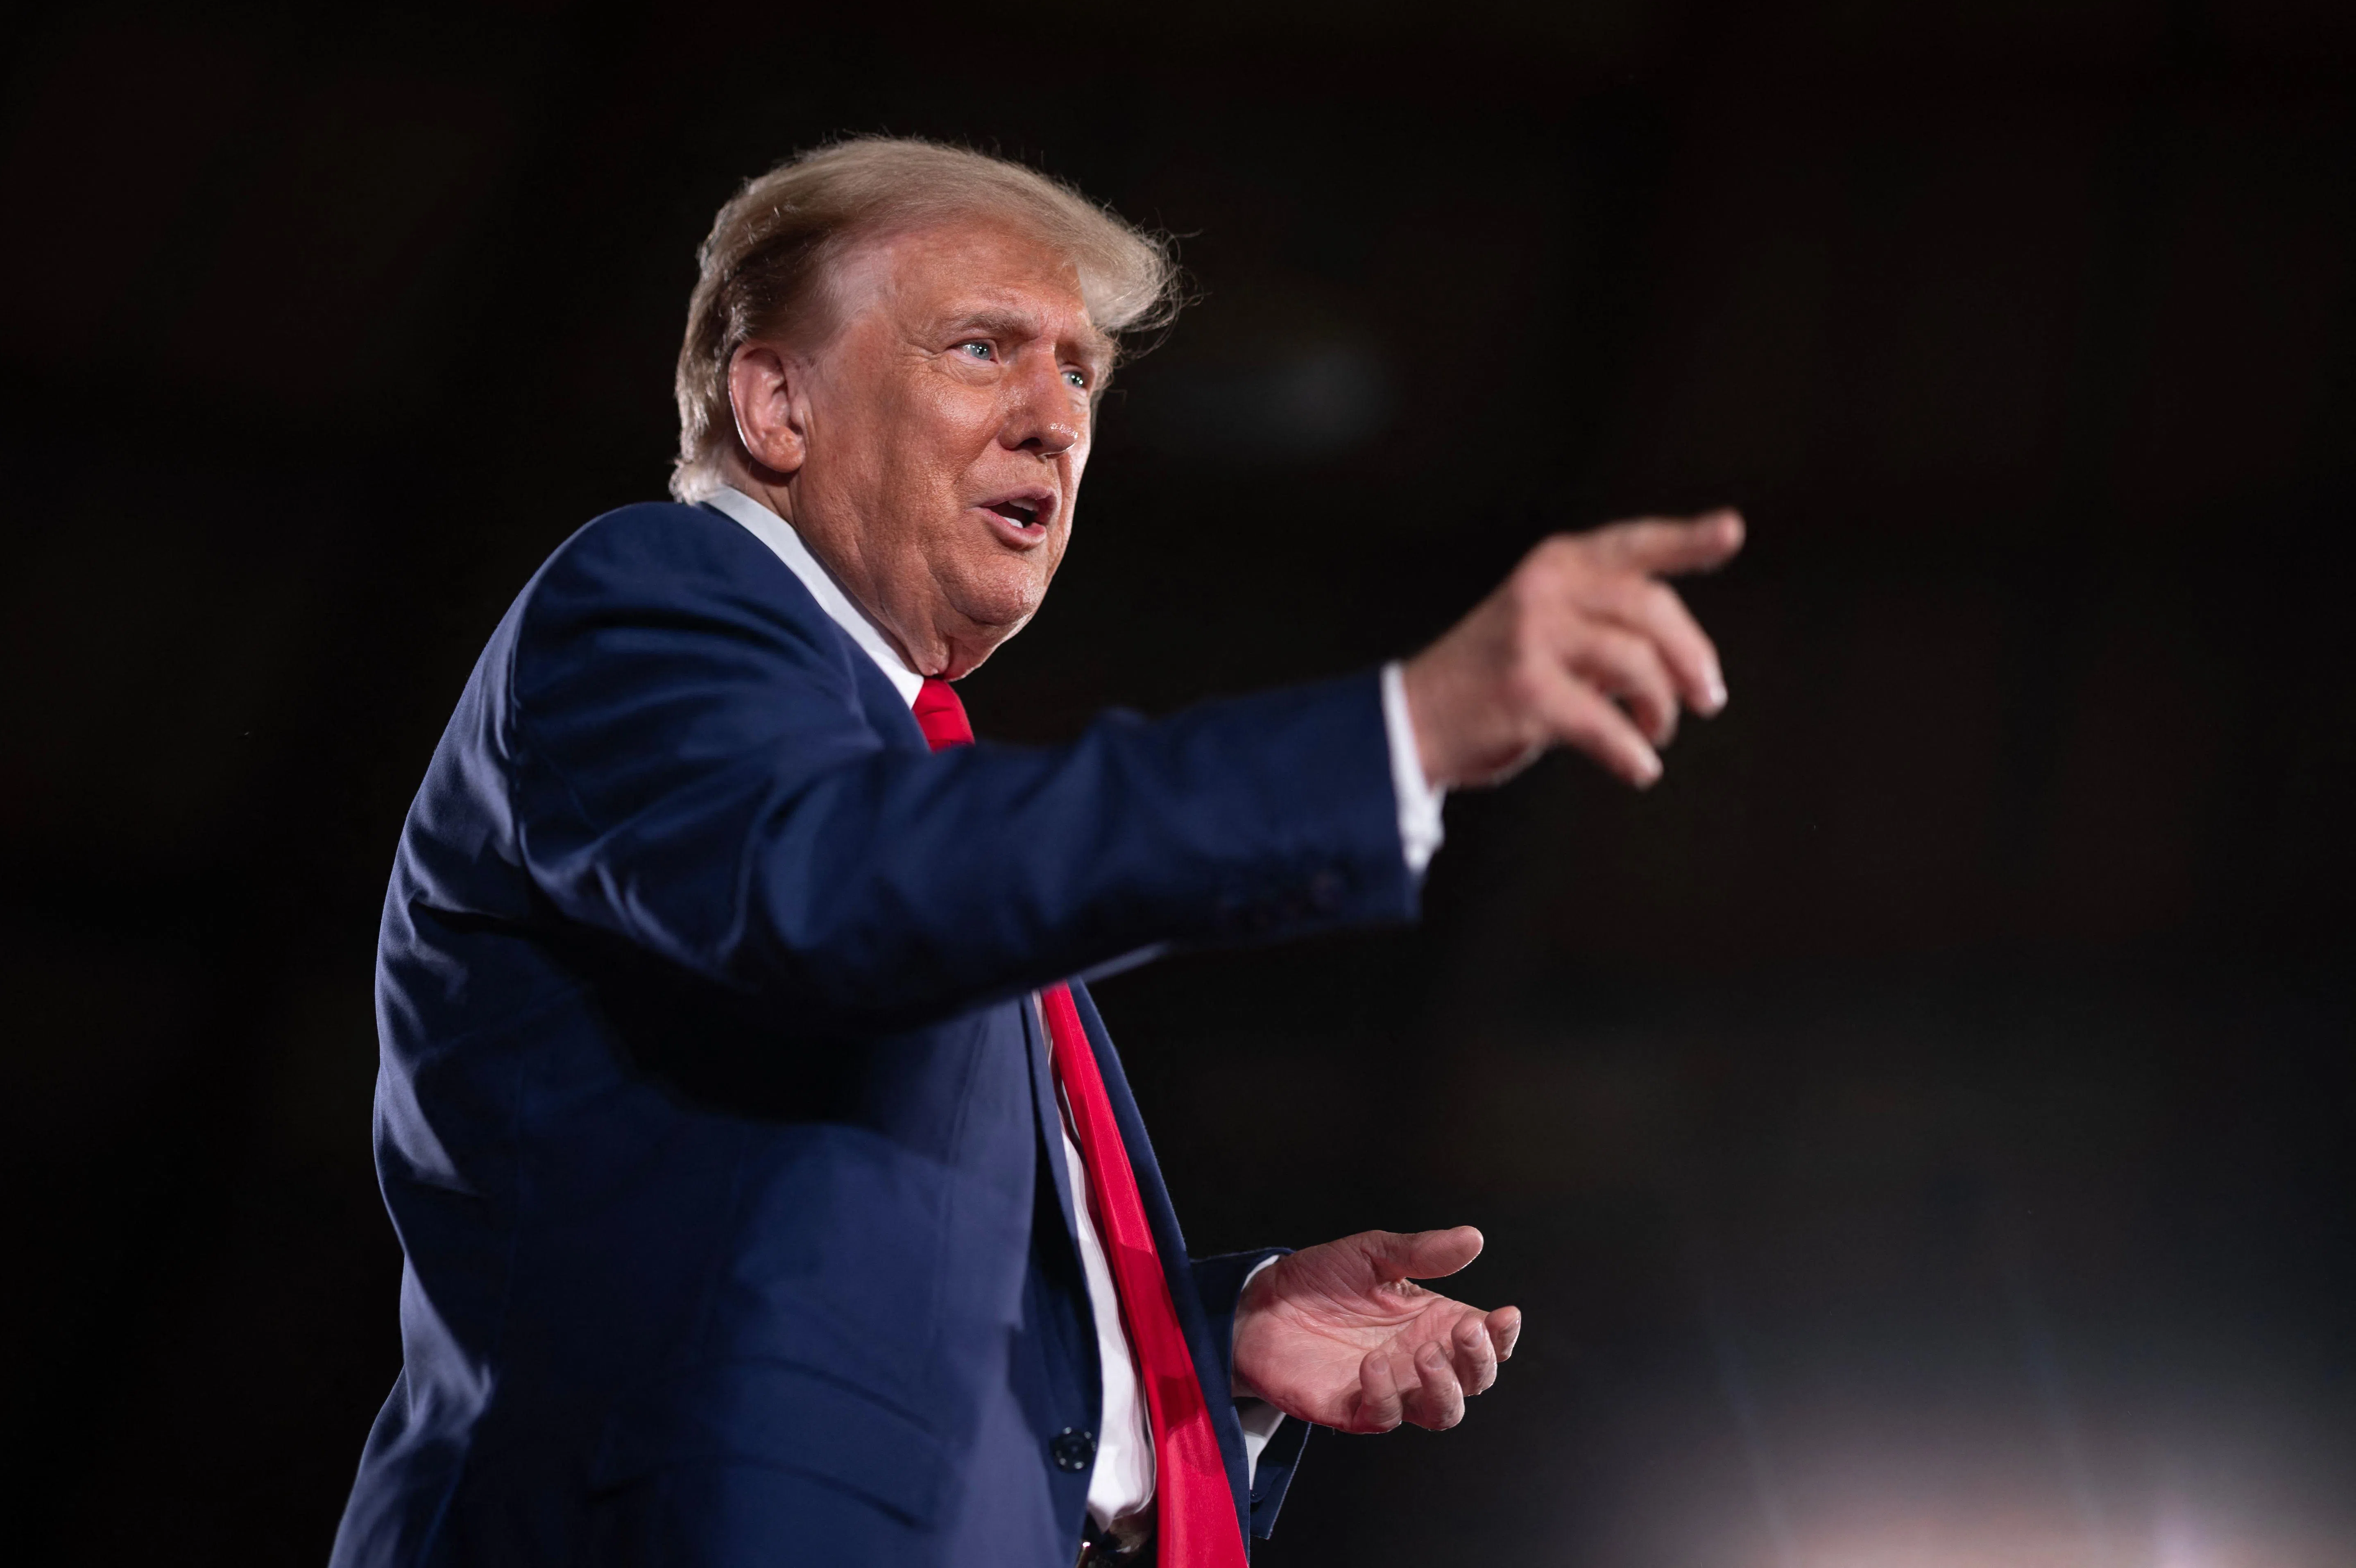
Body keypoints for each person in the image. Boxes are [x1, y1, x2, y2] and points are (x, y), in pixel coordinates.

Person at [330, 137, 1742, 1568]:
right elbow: (836, 892)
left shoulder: (910, 774)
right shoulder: (647, 600)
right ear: (775, 402)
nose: (1055, 422)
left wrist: (1199, 1343)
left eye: (1079, 375)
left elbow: (845, 1257)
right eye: (982, 347)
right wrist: (1402, 733)